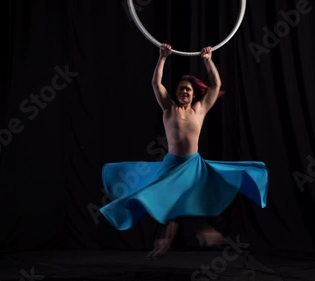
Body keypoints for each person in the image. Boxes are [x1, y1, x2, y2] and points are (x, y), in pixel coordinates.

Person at [100, 44, 268, 258]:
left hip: (193, 165)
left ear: (193, 93)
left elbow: (216, 84)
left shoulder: (200, 110)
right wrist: (162, 58)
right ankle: (192, 235)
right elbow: (155, 83)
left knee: (185, 202)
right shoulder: (169, 108)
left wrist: (208, 60)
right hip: (172, 165)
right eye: (180, 89)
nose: (183, 91)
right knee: (159, 198)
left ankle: (190, 235)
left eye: (187, 89)